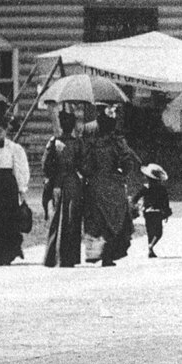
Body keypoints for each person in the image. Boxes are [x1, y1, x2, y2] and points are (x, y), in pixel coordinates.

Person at [78, 106, 138, 266]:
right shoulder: (116, 139)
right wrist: (121, 173)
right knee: (115, 219)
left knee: (99, 220)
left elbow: (84, 164)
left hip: (95, 184)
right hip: (113, 184)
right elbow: (127, 162)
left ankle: (97, 252)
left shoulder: (87, 132)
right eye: (111, 111)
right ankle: (108, 255)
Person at [0, 106, 31, 265]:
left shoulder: (14, 148)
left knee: (9, 218)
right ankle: (0, 255)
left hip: (8, 184)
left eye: (0, 131)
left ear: (6, 131)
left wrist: (22, 190)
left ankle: (11, 251)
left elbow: (20, 169)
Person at [40, 107, 87, 268]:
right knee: (71, 219)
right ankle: (68, 258)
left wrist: (52, 177)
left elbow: (45, 165)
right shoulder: (78, 142)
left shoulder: (53, 141)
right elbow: (83, 166)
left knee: (58, 218)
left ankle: (54, 258)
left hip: (59, 183)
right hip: (72, 183)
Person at [135, 159, 172, 256]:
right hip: (158, 212)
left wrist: (134, 204)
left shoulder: (145, 188)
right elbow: (166, 202)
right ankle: (151, 246)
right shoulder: (162, 189)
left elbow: (136, 197)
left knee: (150, 231)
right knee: (158, 232)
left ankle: (150, 250)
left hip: (147, 212)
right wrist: (167, 212)